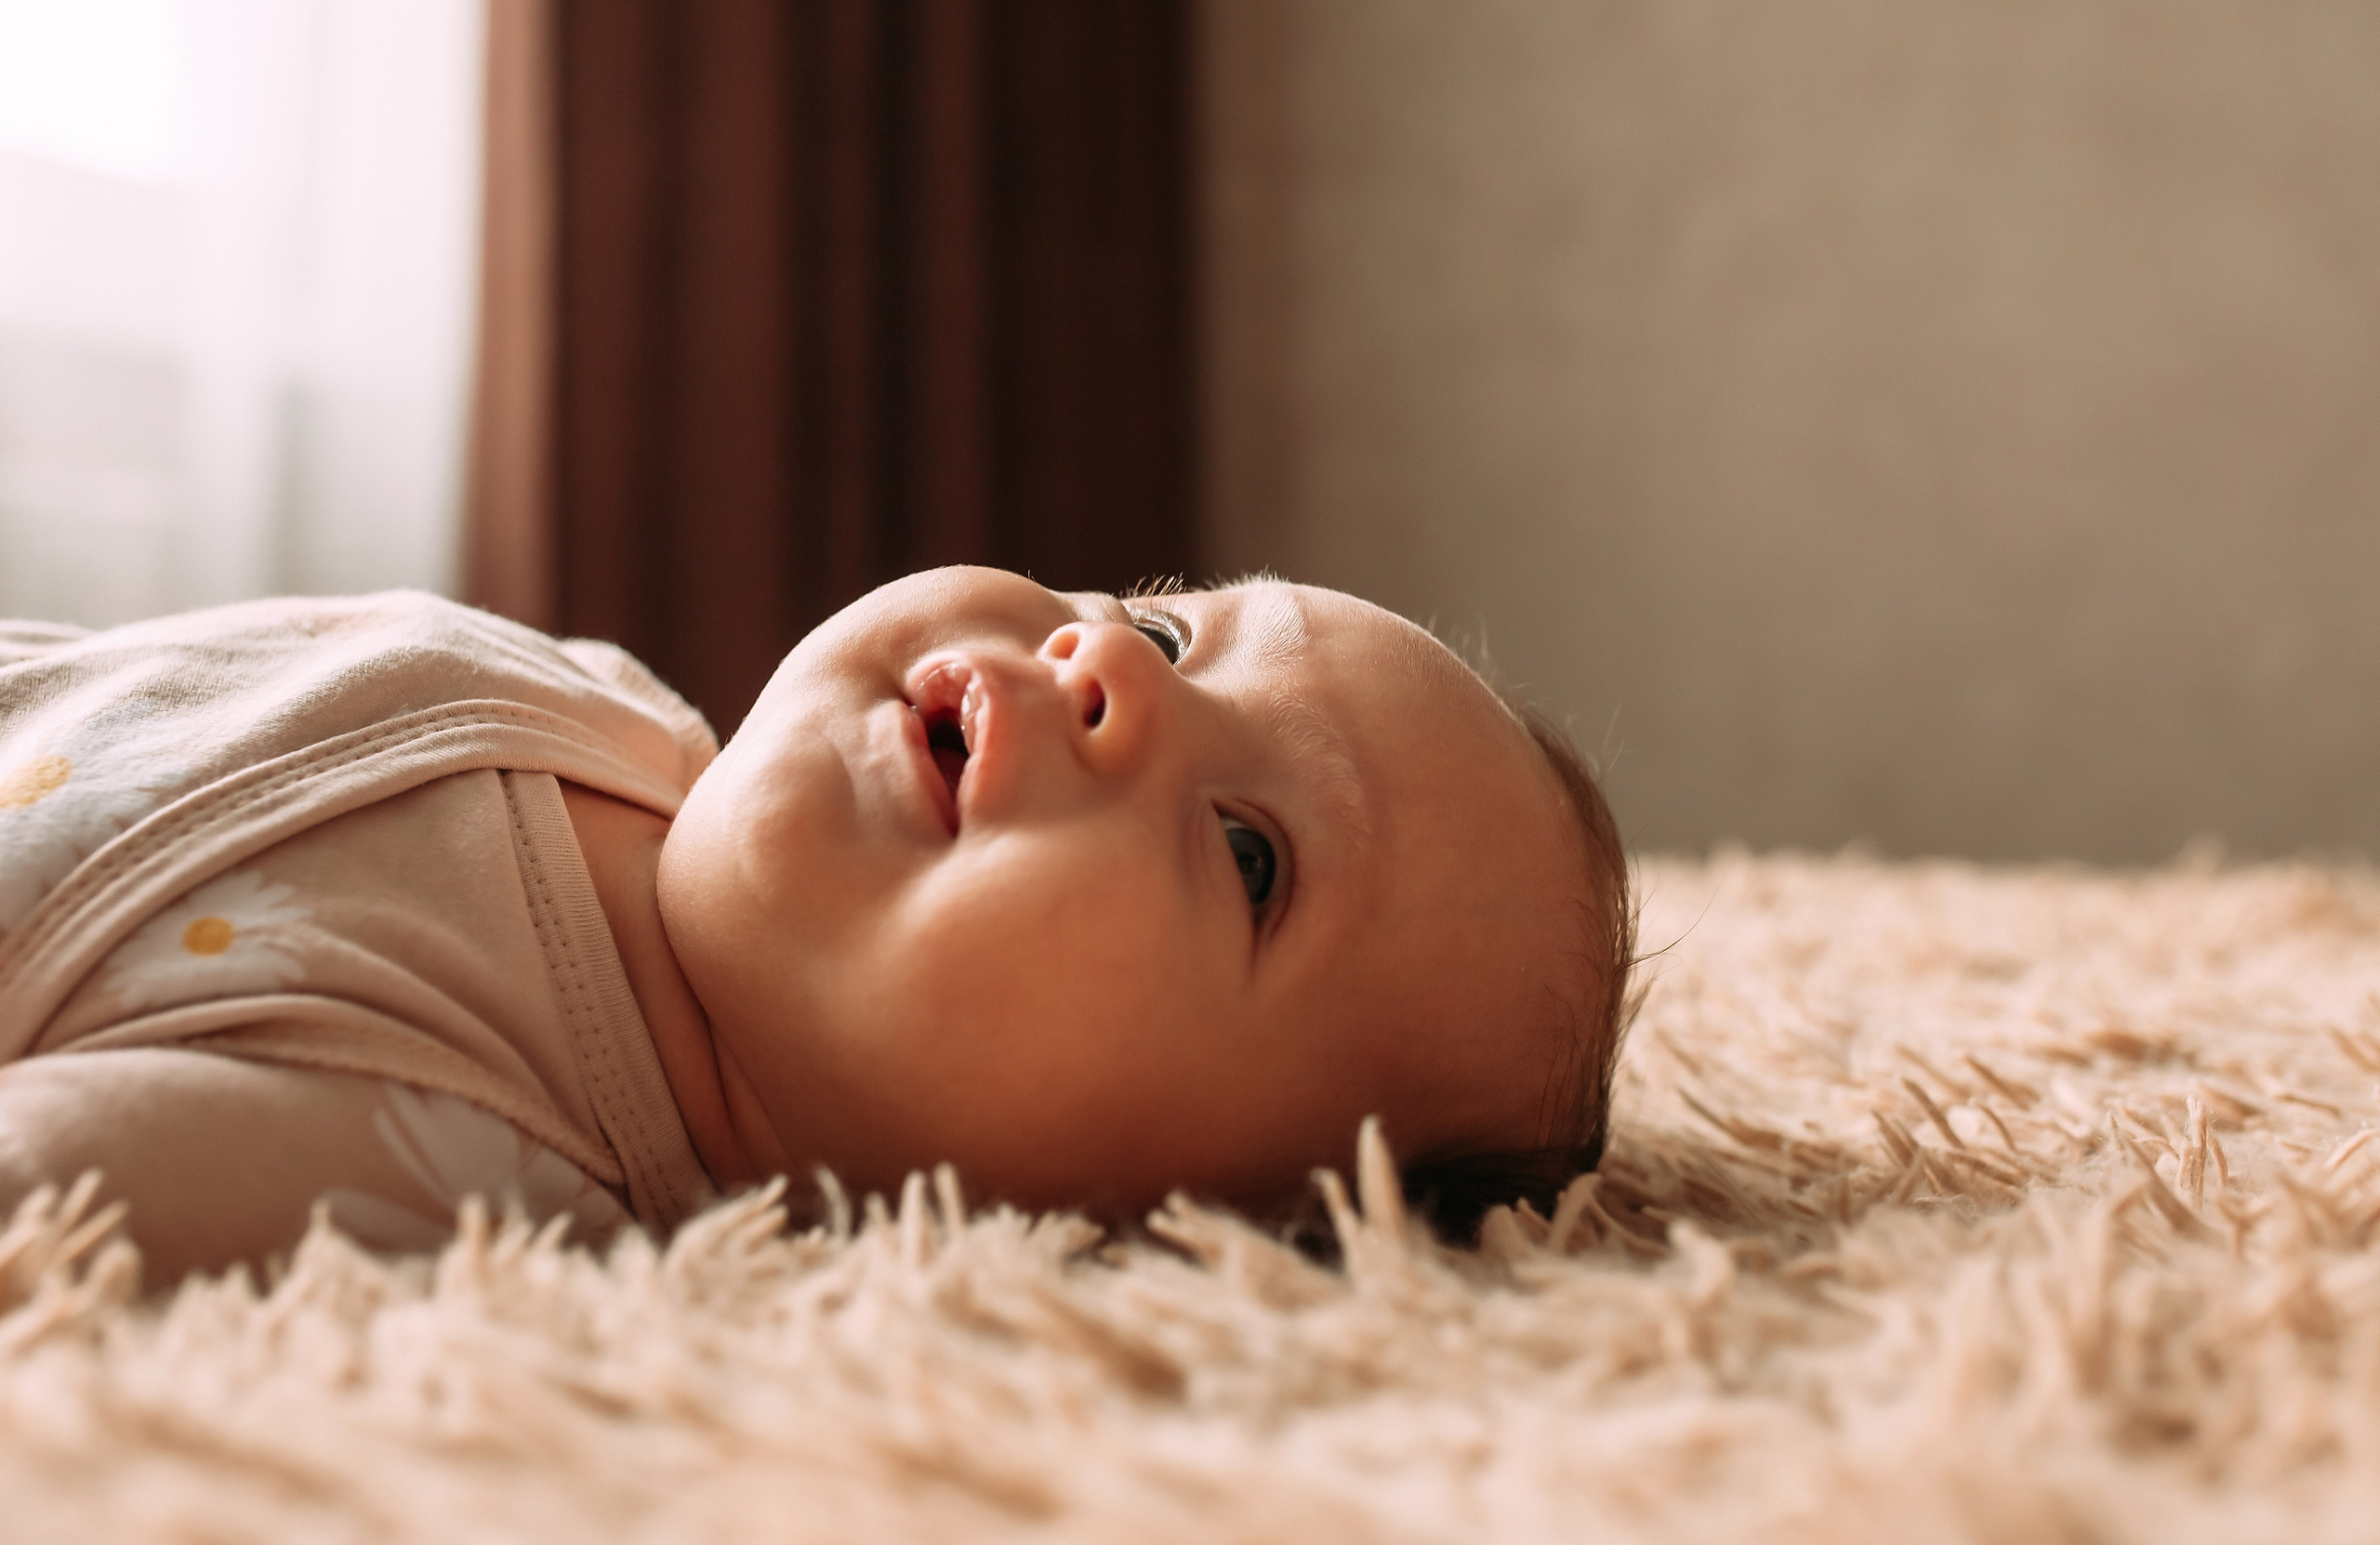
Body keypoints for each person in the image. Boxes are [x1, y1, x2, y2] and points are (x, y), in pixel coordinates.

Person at [0, 567, 1632, 1285]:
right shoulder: (613, 706)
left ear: (1159, 1231)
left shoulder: (440, 1146)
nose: (1109, 668)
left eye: (1253, 856)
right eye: (1164, 625)